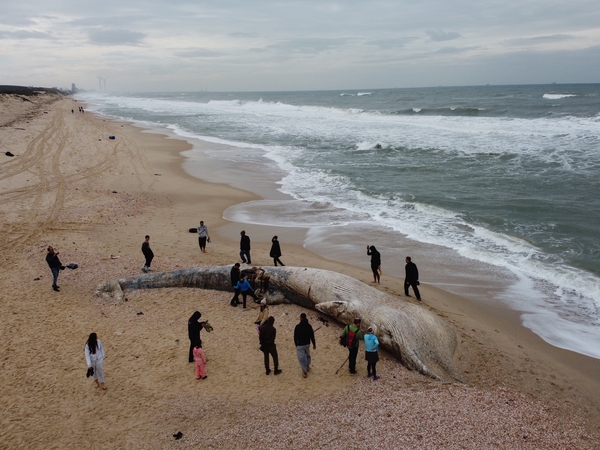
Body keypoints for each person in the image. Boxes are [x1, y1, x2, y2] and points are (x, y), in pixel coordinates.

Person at [294, 313, 316, 378]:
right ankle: (307, 366)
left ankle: (305, 372)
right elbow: (312, 336)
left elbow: (295, 337)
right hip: (307, 344)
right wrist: (314, 344)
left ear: (300, 318)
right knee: (307, 355)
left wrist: (296, 344)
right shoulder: (309, 326)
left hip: (300, 344)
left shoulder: (297, 326)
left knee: (302, 358)